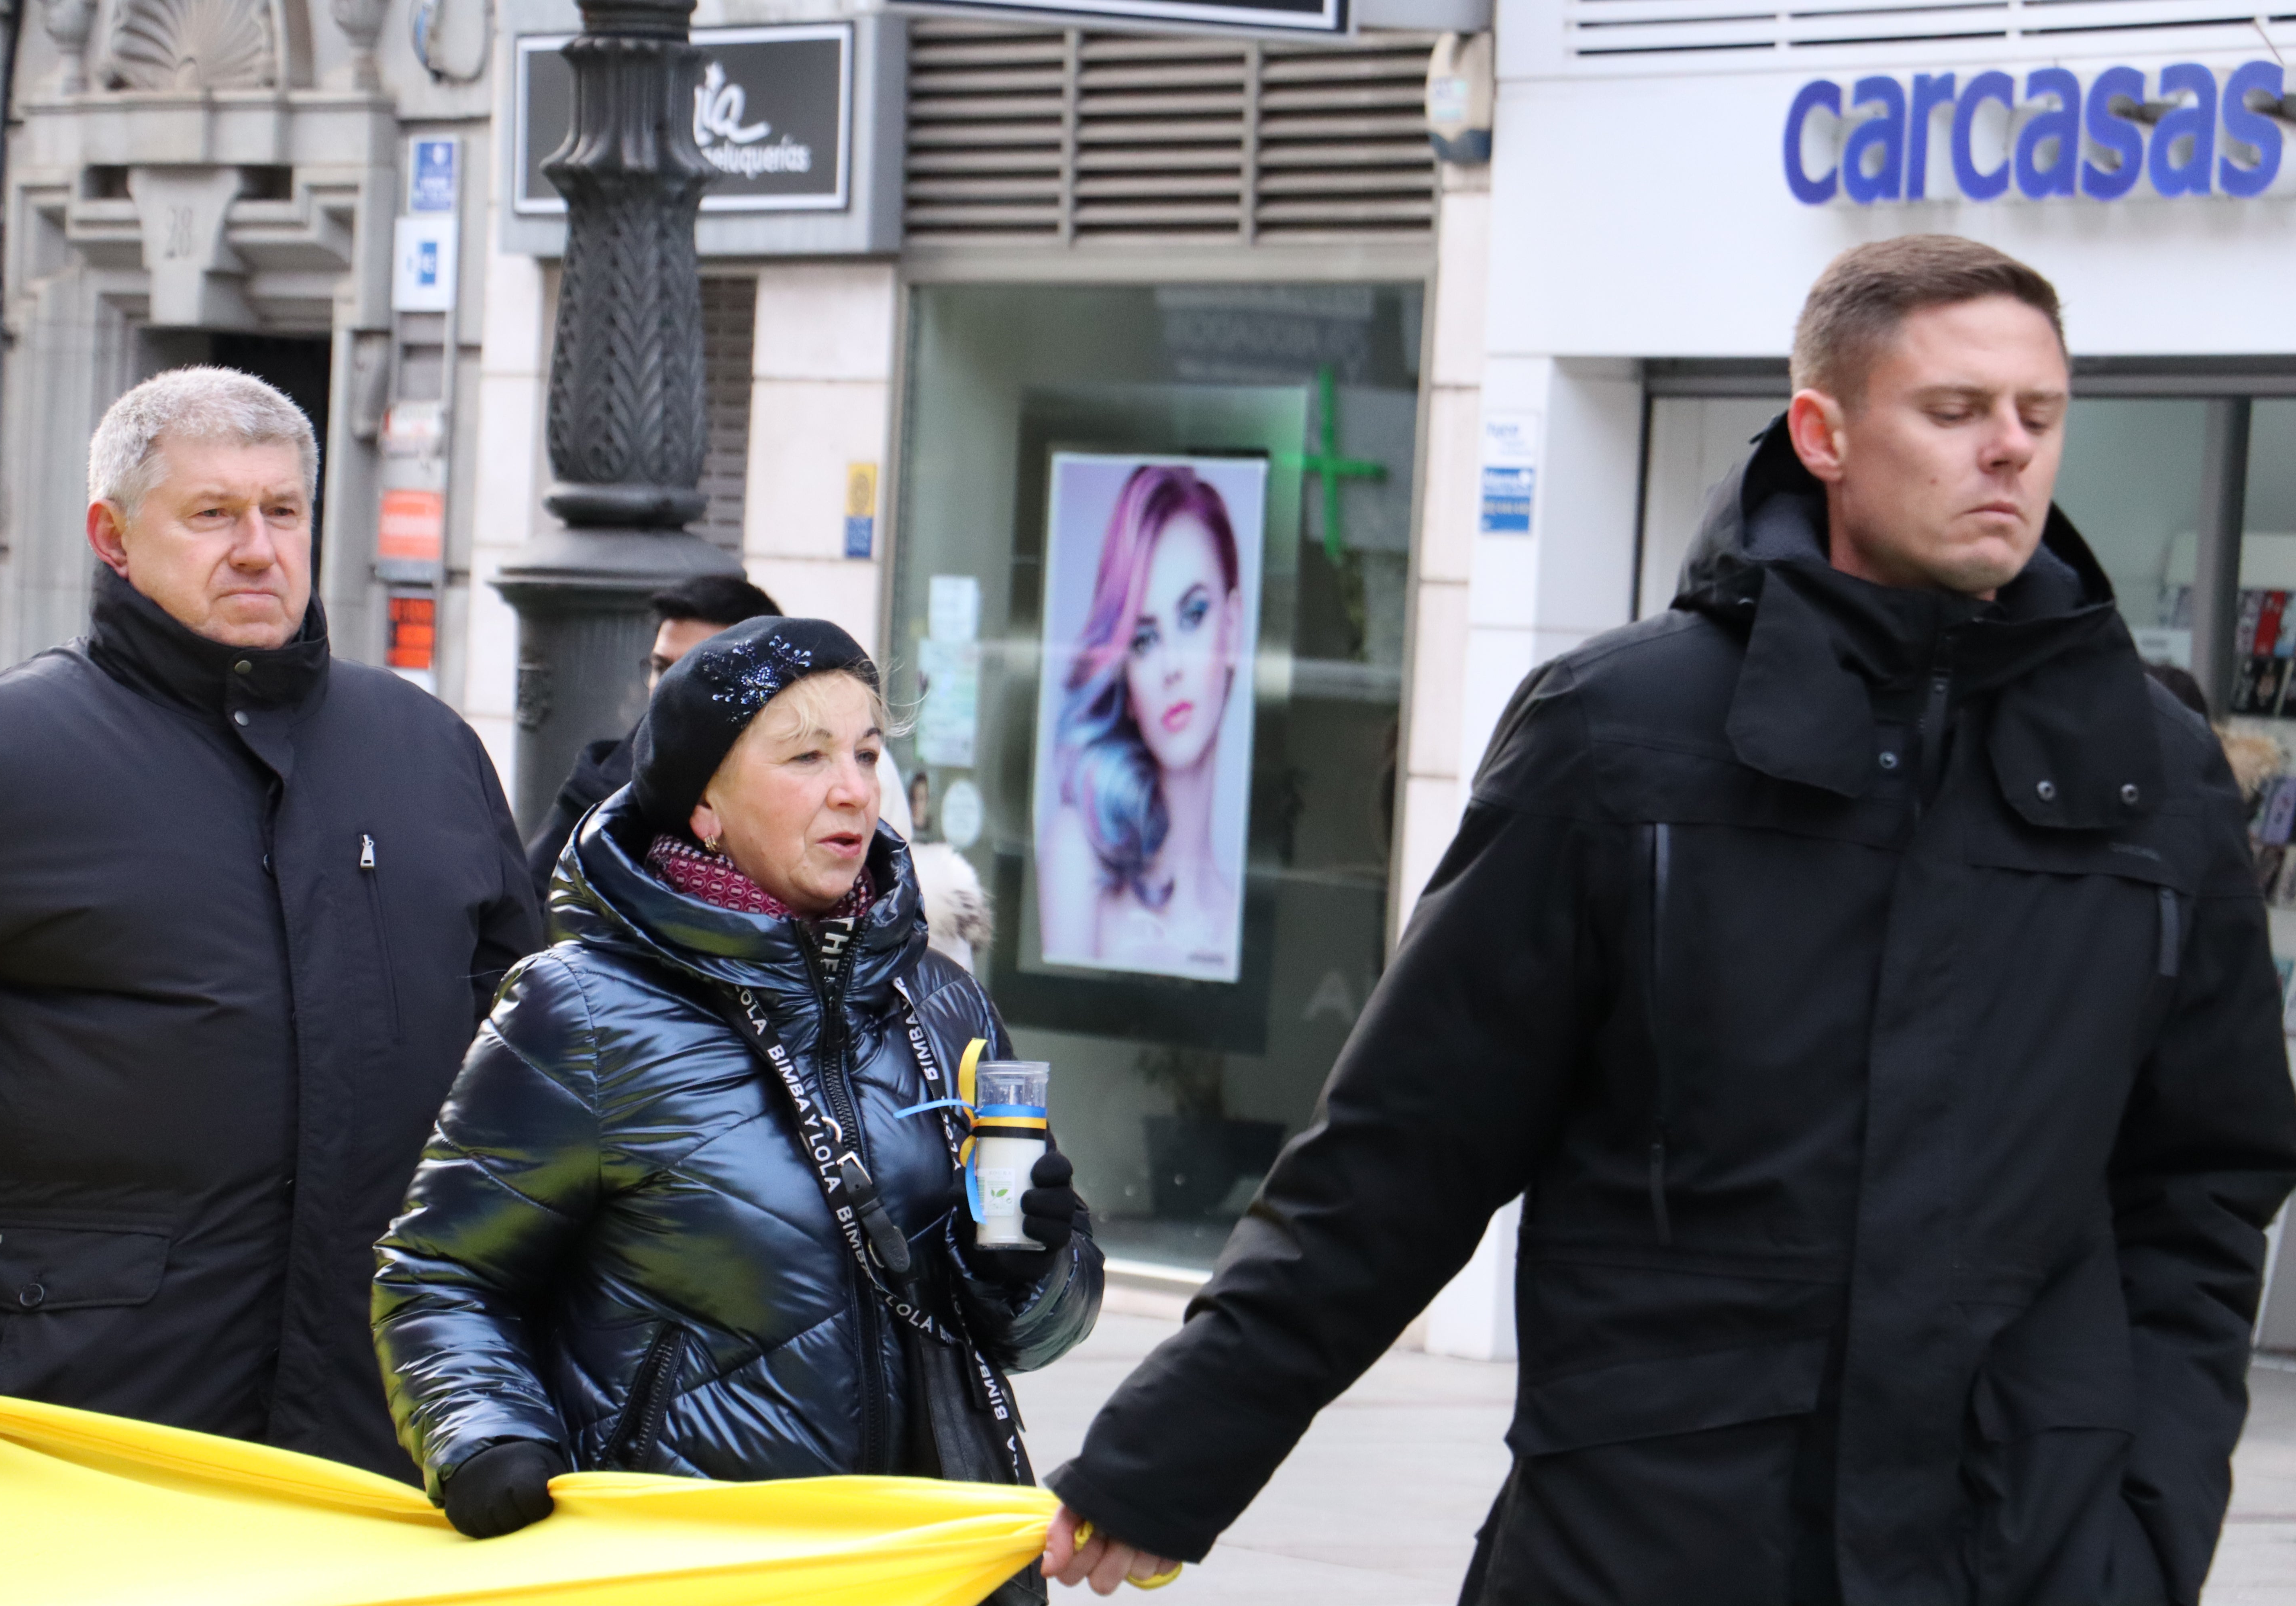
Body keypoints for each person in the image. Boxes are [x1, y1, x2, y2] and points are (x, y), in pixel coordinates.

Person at [1042, 236, 2296, 1604]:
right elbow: (1407, 1149)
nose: (2008, 450)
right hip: (1653, 1538)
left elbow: (2206, 1183)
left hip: (2026, 1550)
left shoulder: (2150, 773)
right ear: (1823, 431)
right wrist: (1174, 1455)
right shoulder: (1622, 736)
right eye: (1954, 411)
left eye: (2038, 416)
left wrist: (2149, 1525)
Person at [0, 367, 541, 1473]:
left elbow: (536, 1079)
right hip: (72, 1425)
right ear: (113, 536)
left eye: (283, 512)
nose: (257, 548)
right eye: (212, 515)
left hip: (375, 1429)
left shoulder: (427, 753)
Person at [373, 617, 1103, 1570]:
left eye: (867, 752)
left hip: (919, 1567)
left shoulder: (939, 996)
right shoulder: (584, 1007)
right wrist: (485, 1437)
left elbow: (1032, 1332)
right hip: (685, 1569)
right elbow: (439, 1275)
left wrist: (1031, 1264)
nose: (853, 788)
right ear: (703, 807)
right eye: (805, 755)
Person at [1038, 466, 1247, 980]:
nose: (1173, 666)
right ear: (1124, 677)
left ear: (1232, 627)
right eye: (1145, 640)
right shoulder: (1076, 856)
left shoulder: (1236, 921)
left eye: (1194, 614)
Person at [521, 573, 782, 896]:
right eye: (661, 668)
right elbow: (534, 907)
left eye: (695, 672)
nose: (667, 688)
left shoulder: (799, 788)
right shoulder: (598, 787)